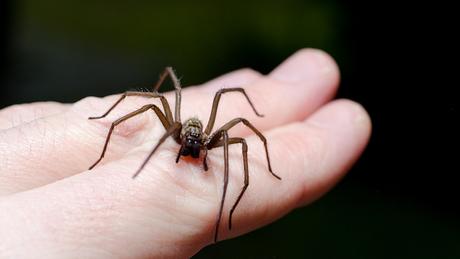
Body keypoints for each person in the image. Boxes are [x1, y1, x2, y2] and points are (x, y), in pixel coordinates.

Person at [0, 49, 371, 258]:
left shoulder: (210, 138)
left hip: (204, 132)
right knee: (152, 101)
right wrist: (107, 127)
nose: (192, 150)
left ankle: (229, 204)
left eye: (194, 146)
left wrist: (231, 204)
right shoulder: (176, 130)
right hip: (180, 123)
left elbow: (240, 123)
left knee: (239, 127)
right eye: (188, 145)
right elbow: (148, 101)